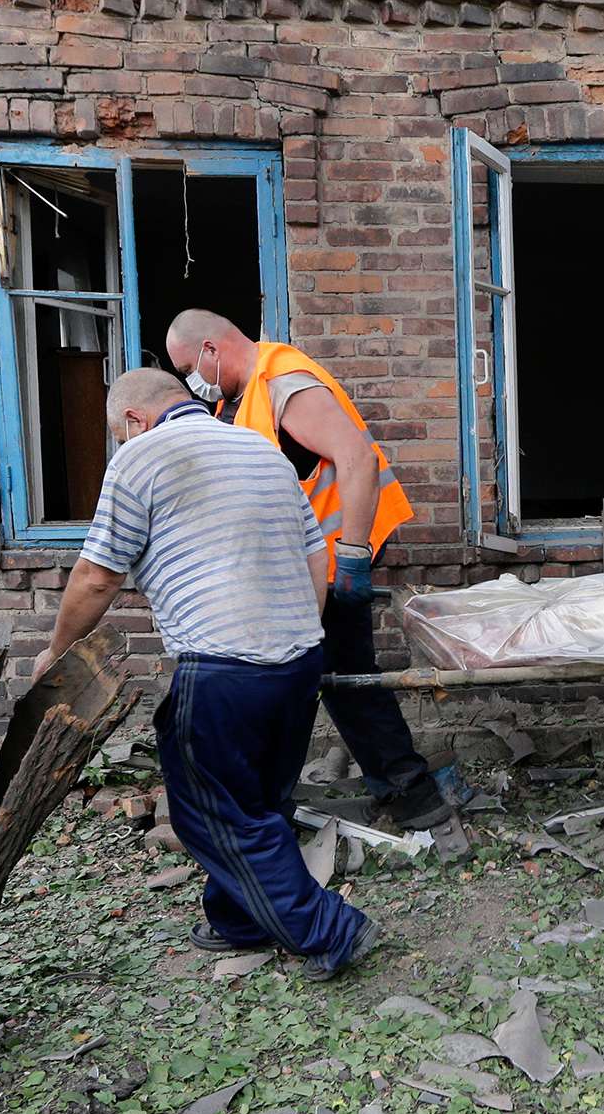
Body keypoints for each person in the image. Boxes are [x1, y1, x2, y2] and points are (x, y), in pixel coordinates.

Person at [32, 368, 379, 979]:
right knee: (260, 798)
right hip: (297, 660)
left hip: (222, 667)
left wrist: (58, 650)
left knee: (209, 812)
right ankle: (238, 918)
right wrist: (299, 633)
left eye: (120, 433)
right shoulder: (260, 449)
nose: (122, 443)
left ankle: (331, 929)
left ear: (134, 419)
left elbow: (97, 576)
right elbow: (315, 553)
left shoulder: (141, 458)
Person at [164, 309, 456, 831]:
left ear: (212, 349)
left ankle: (399, 795)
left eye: (190, 368)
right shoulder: (237, 399)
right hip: (307, 561)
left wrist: (352, 554)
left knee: (316, 673)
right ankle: (404, 793)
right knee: (330, 673)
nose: (193, 384)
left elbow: (357, 459)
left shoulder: (282, 381)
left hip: (335, 556)